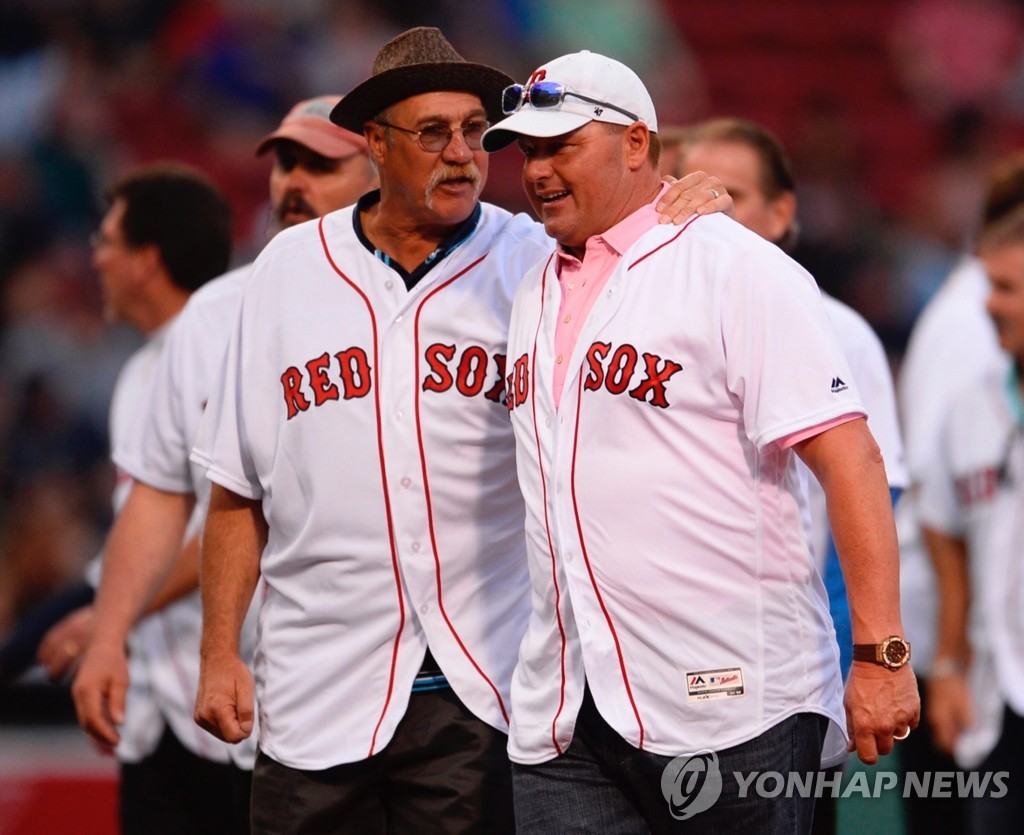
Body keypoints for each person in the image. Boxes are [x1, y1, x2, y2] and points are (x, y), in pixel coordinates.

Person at [188, 27, 728, 835]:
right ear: (374, 142)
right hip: (314, 687)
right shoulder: (286, 270)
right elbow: (237, 491)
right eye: (432, 132)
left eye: (476, 131)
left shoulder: (536, 258)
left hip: (481, 690)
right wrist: (219, 650)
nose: (462, 154)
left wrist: (694, 210)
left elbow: (649, 259)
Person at [482, 49, 919, 832]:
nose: (539, 170)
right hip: (567, 705)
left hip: (734, 705)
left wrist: (882, 653)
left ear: (638, 143)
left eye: (561, 146)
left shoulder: (735, 267)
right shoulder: (531, 280)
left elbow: (850, 458)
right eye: (529, 150)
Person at [68, 97, 378, 835]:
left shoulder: (429, 300)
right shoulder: (218, 313)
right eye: (283, 163)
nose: (290, 183)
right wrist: (107, 633)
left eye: (319, 164)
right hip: (210, 696)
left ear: (378, 171)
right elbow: (163, 498)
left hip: (362, 693)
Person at [67, 163, 233, 834]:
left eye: (107, 241)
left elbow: (221, 519)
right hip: (152, 706)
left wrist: (109, 617)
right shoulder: (138, 368)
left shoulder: (231, 342)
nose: (95, 256)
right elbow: (135, 533)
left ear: (146, 260)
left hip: (234, 705)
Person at [894, 152, 1024, 835]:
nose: (993, 301)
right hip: (971, 665)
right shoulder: (969, 334)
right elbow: (939, 511)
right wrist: (945, 659)